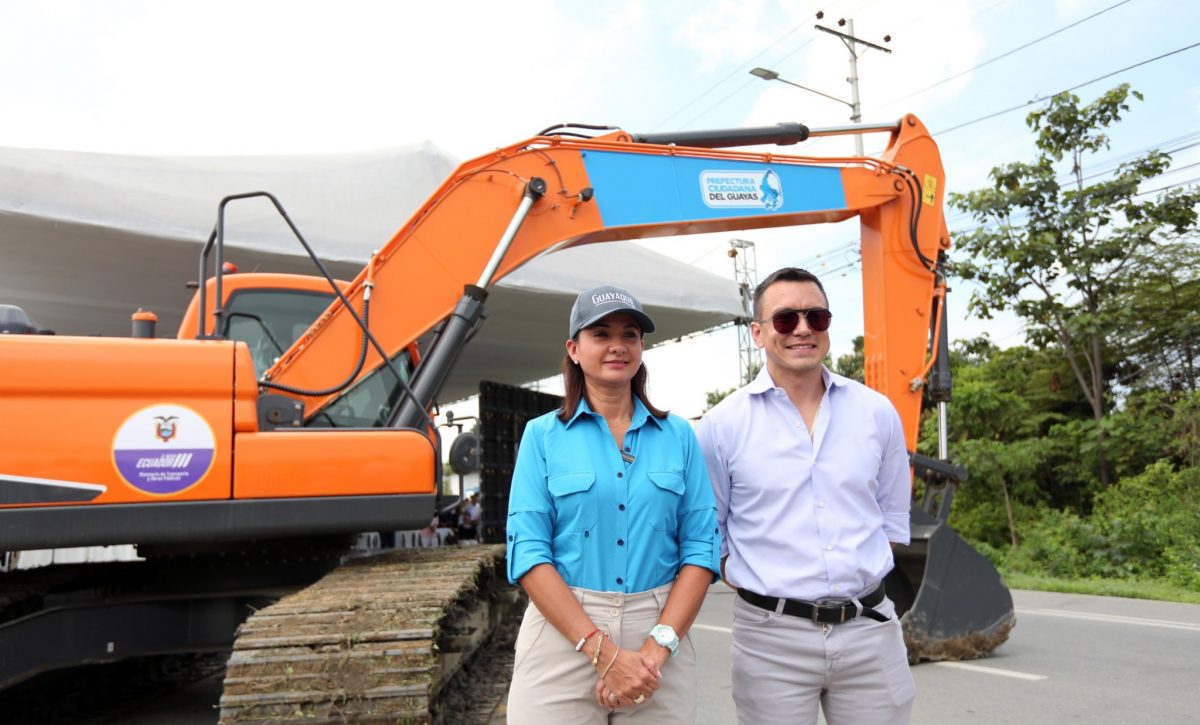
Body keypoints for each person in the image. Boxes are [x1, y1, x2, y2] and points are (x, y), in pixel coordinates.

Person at [696, 267, 916, 725]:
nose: (802, 329)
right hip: (770, 640)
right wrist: (775, 592)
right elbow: (711, 535)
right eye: (785, 318)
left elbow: (892, 519)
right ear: (757, 332)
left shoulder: (876, 413)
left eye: (816, 317)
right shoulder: (722, 426)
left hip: (870, 631)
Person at [505, 284, 721, 724]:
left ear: (641, 348)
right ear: (574, 349)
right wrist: (603, 653)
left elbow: (701, 547)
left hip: (658, 635)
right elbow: (527, 551)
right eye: (601, 334)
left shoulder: (679, 436)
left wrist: (654, 652)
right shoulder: (542, 437)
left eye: (630, 335)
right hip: (564, 633)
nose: (618, 346)